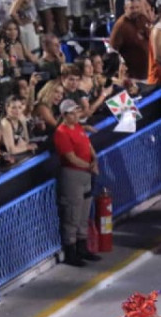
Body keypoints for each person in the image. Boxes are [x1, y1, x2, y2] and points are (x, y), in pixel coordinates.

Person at [53, 98, 101, 266]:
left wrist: (94, 159)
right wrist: (90, 166)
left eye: (76, 112)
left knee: (83, 213)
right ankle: (71, 253)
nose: (76, 116)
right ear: (65, 115)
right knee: (72, 213)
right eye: (72, 113)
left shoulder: (79, 127)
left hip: (86, 174)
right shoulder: (61, 133)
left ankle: (82, 248)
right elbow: (70, 157)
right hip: (72, 175)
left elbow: (87, 145)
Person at [108, 0, 152, 82]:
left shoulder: (142, 18)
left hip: (150, 72)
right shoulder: (120, 26)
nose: (135, 10)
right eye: (132, 8)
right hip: (135, 77)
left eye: (137, 8)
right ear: (125, 8)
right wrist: (121, 64)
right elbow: (112, 51)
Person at [0, 94, 36, 163]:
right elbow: (11, 150)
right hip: (6, 159)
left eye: (19, 107)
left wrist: (23, 122)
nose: (17, 110)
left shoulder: (20, 118)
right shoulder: (6, 123)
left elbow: (26, 140)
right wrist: (27, 147)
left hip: (19, 155)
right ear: (7, 108)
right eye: (13, 107)